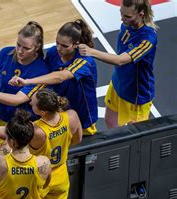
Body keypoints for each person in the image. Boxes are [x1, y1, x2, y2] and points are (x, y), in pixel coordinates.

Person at [11, 19, 98, 136]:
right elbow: (46, 76)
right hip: (58, 114)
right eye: (57, 43)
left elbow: (60, 77)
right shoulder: (53, 53)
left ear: (76, 44)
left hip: (82, 115)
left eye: (64, 45)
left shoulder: (85, 60)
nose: (59, 48)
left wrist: (27, 82)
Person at [78, 0, 157, 128]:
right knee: (110, 122)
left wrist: (91, 51)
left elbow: (120, 60)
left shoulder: (147, 38)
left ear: (141, 14)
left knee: (136, 137)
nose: (122, 19)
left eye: (127, 16)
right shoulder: (126, 25)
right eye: (121, 13)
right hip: (118, 83)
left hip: (136, 95)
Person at [0, 21, 50, 152]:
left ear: (36, 47)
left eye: (26, 48)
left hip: (18, 127)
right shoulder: (5, 54)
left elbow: (18, 100)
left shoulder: (41, 71)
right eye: (18, 45)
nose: (20, 51)